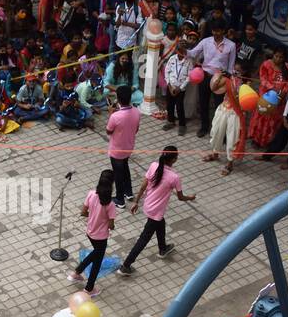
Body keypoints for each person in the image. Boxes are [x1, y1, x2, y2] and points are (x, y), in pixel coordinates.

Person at [117, 146, 196, 276]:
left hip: (148, 205)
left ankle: (163, 249)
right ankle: (126, 266)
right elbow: (181, 197)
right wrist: (191, 198)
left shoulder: (154, 165)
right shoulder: (174, 177)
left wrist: (136, 202)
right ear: (174, 159)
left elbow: (144, 186)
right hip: (156, 211)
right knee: (144, 239)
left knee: (161, 224)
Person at [68, 170, 116, 297]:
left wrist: (93, 215)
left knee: (96, 254)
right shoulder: (110, 204)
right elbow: (111, 225)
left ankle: (77, 273)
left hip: (90, 232)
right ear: (112, 184)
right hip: (101, 236)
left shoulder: (91, 194)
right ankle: (89, 288)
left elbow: (83, 212)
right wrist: (109, 223)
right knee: (97, 260)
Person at [188, 23, 236, 137]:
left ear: (224, 31)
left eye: (218, 31)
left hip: (220, 79)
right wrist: (183, 48)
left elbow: (231, 66)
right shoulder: (205, 41)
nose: (216, 33)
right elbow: (192, 53)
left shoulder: (231, 45)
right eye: (214, 30)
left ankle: (217, 130)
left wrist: (228, 75)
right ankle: (204, 127)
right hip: (205, 76)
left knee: (219, 106)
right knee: (203, 103)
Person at [106, 84, 140, 206]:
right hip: (129, 147)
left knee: (118, 174)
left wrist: (111, 114)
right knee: (125, 168)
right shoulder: (136, 112)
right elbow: (136, 129)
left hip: (116, 150)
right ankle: (128, 191)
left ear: (118, 99)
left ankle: (120, 199)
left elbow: (108, 131)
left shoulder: (115, 116)